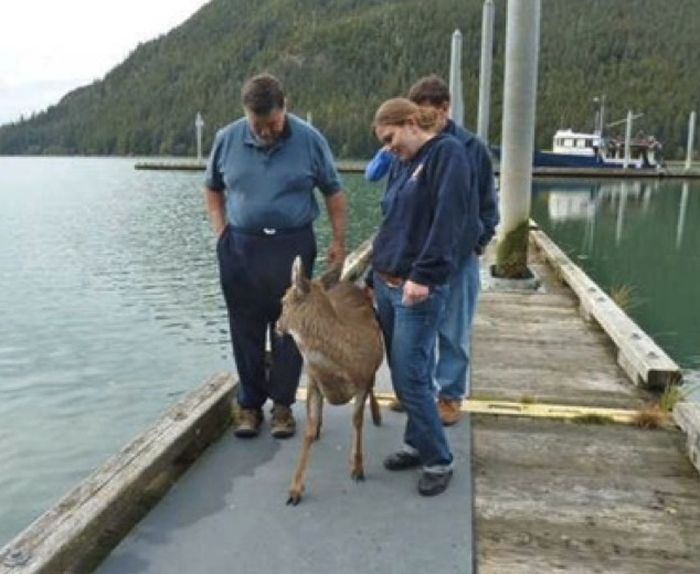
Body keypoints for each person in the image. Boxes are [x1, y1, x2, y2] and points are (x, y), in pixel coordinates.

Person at [204, 73, 347, 439]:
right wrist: (222, 235)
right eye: (258, 124)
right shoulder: (226, 139)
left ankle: (282, 406)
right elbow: (213, 190)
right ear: (246, 114)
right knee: (245, 326)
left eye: (273, 123)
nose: (266, 131)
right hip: (241, 246)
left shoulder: (310, 140)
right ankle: (249, 406)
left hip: (292, 245)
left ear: (285, 107)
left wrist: (339, 242)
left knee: (290, 327)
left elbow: (333, 191)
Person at [366, 75, 498, 425]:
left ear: (445, 109)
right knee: (413, 336)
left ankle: (450, 396)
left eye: (431, 115)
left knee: (453, 332)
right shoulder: (406, 150)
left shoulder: (470, 149)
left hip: (455, 260)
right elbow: (393, 204)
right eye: (418, 115)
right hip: (412, 260)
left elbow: (486, 206)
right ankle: (417, 393)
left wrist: (475, 243)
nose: (425, 122)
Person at [371, 98, 481, 496]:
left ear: (412, 122)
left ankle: (439, 459)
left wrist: (425, 275)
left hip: (416, 289)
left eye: (391, 137)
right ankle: (417, 444)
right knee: (402, 376)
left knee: (413, 376)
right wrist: (374, 272)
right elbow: (393, 221)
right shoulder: (403, 163)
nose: (389, 147)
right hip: (387, 281)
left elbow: (449, 220)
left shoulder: (447, 155)